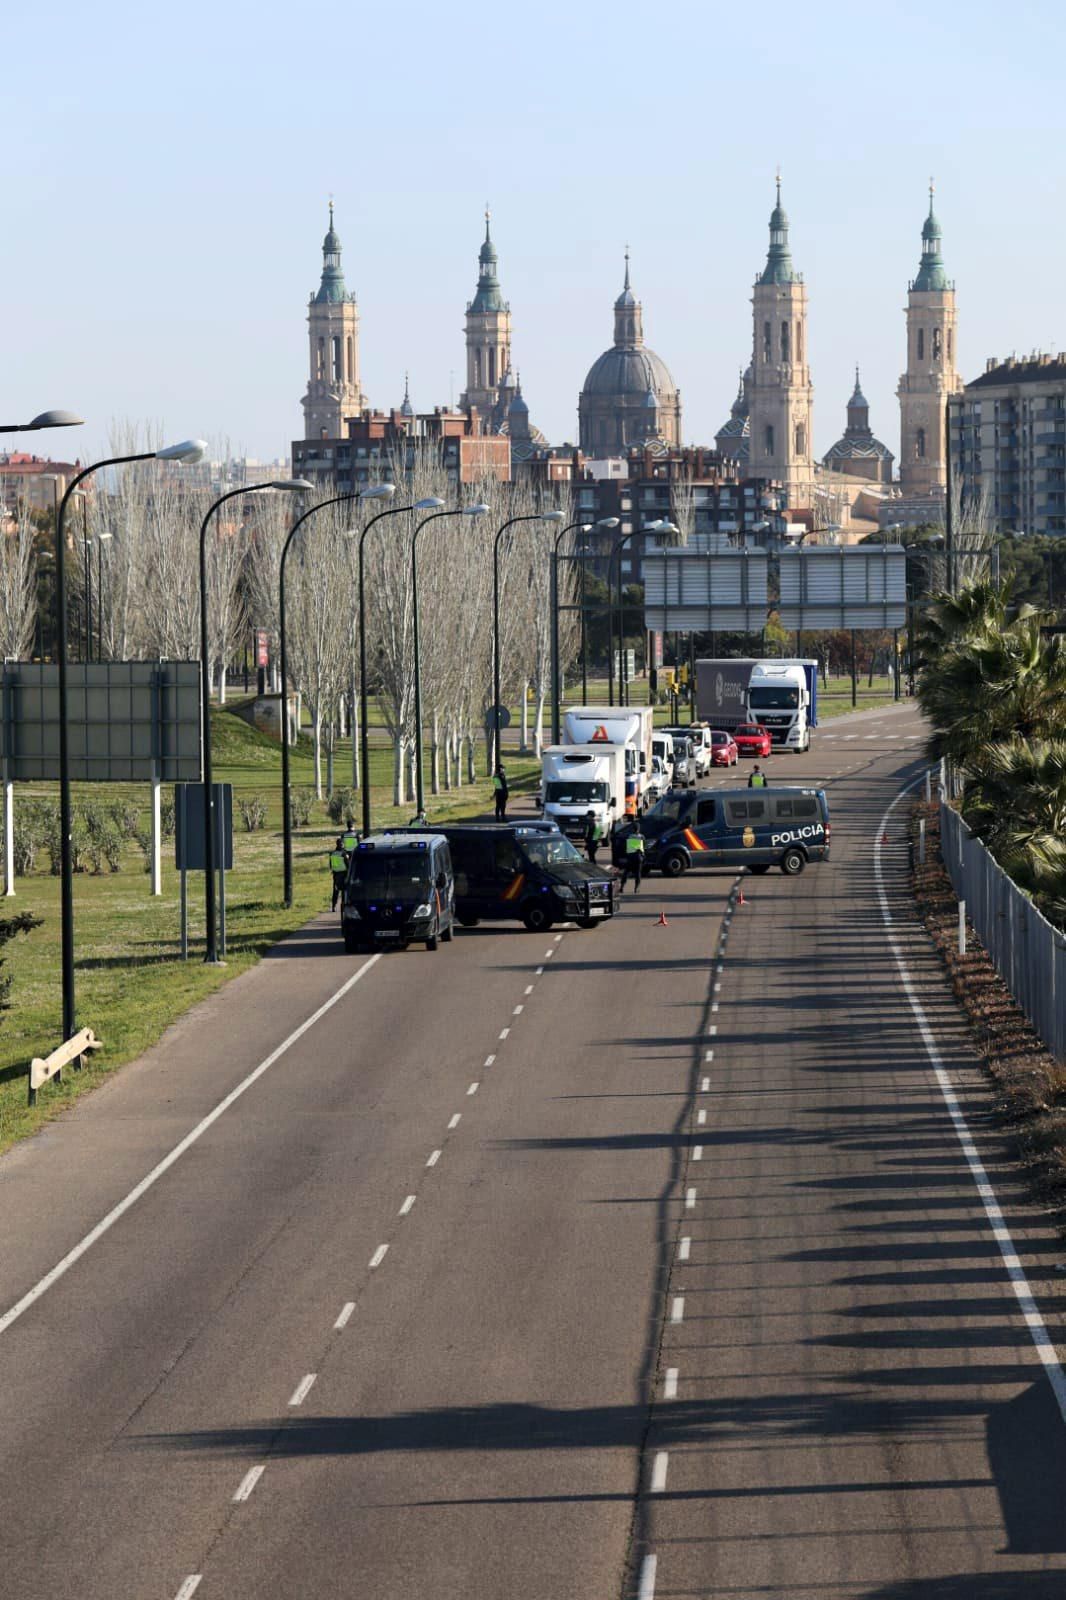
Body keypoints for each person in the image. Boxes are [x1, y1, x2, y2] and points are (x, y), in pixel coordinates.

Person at [621, 823, 645, 894]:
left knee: (626, 872)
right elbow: (644, 846)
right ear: (639, 829)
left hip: (630, 857)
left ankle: (622, 886)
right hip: (638, 857)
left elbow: (626, 846)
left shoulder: (629, 836)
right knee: (638, 873)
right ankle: (636, 888)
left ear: (633, 829)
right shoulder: (641, 837)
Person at [329, 835, 348, 911]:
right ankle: (343, 906)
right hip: (343, 874)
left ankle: (333, 906)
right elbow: (348, 864)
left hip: (335, 875)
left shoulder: (332, 853)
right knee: (344, 891)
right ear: (342, 844)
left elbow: (331, 864)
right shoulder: (344, 854)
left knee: (335, 891)